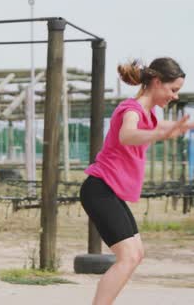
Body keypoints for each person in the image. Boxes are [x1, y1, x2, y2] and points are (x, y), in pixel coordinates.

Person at [80, 57, 188, 305]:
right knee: (128, 257)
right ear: (157, 82)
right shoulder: (132, 109)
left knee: (136, 254)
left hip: (108, 192)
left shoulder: (148, 115)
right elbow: (127, 135)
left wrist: (178, 128)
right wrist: (162, 133)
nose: (174, 96)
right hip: (99, 189)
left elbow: (167, 126)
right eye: (173, 90)